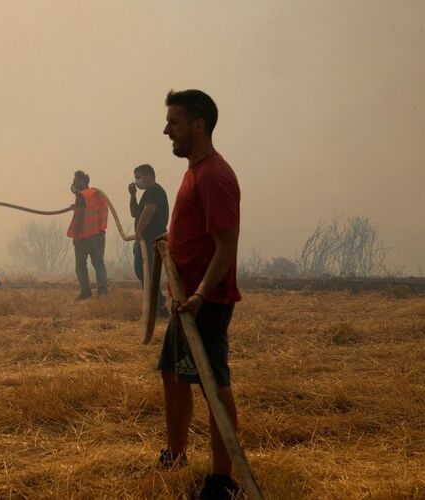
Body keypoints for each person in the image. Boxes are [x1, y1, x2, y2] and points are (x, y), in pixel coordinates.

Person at [155, 89, 242, 500]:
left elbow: (226, 245)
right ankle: (175, 455)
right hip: (185, 300)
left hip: (204, 303)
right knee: (173, 375)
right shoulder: (195, 170)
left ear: (199, 125)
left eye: (173, 122)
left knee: (213, 386)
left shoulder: (214, 176)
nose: (166, 130)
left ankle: (222, 480)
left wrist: (202, 295)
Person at [129, 163, 170, 317]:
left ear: (149, 175)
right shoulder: (147, 194)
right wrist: (133, 195)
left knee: (148, 273)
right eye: (135, 178)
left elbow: (148, 212)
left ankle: (158, 308)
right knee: (144, 273)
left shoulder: (155, 191)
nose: (137, 181)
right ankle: (156, 306)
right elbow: (135, 213)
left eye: (139, 177)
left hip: (152, 239)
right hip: (144, 240)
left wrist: (138, 233)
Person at [67, 170, 109, 300]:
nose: (73, 185)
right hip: (99, 235)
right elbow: (93, 209)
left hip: (84, 237)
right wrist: (77, 205)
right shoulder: (96, 194)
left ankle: (86, 293)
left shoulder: (82, 196)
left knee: (80, 266)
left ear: (81, 181)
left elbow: (80, 216)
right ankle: (103, 291)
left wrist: (76, 236)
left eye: (75, 181)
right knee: (99, 263)